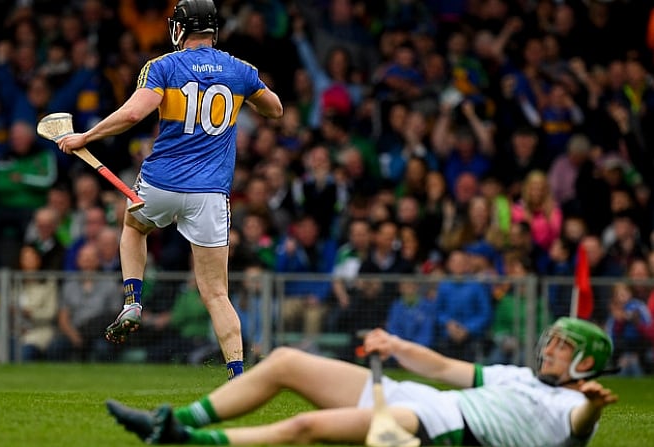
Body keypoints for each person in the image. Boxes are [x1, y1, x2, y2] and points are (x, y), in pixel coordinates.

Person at [56, 0, 283, 380]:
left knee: (133, 228)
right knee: (216, 293)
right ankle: (239, 374)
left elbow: (131, 114)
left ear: (180, 29)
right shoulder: (240, 70)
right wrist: (249, 94)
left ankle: (133, 301)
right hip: (211, 193)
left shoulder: (163, 66)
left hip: (162, 182)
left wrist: (86, 136)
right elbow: (274, 109)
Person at [106, 317, 618, 447]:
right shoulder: (515, 375)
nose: (549, 350)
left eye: (563, 348)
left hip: (442, 427)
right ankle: (178, 418)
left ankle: (184, 439)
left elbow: (577, 427)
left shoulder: (569, 413)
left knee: (305, 426)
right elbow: (443, 369)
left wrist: (592, 404)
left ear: (586, 363)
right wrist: (393, 345)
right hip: (426, 400)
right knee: (286, 361)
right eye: (550, 341)